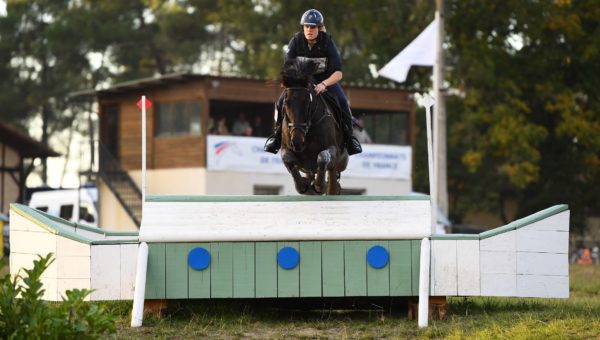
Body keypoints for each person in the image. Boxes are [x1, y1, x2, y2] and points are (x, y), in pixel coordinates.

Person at [264, 8, 362, 155]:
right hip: (301, 83)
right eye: (306, 26)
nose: (309, 30)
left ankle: (349, 140)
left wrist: (323, 84)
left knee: (343, 102)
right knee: (279, 103)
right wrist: (299, 82)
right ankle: (277, 138)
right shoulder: (296, 41)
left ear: (319, 28)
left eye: (313, 26)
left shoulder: (327, 42)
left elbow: (338, 73)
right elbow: (288, 69)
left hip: (326, 82)